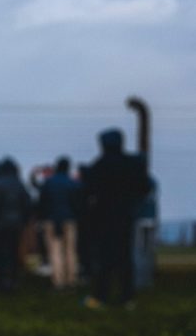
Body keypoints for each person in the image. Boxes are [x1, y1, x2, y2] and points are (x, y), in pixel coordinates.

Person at [82, 129, 152, 308]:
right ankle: (127, 297)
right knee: (125, 257)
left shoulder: (99, 165)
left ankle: (101, 296)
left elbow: (87, 190)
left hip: (103, 217)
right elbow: (145, 187)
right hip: (126, 215)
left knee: (104, 258)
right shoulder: (132, 165)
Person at [0, 158, 31, 294]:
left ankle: (1, 281)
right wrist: (24, 220)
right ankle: (12, 280)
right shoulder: (20, 184)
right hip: (16, 225)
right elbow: (27, 205)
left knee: (0, 253)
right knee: (13, 253)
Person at [38, 157, 82, 289]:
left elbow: (42, 202)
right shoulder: (73, 183)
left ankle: (58, 281)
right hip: (69, 219)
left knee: (55, 251)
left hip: (51, 220)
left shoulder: (48, 182)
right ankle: (71, 279)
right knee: (70, 250)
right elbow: (77, 203)